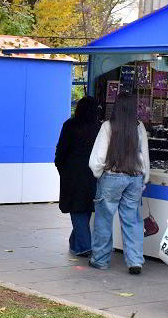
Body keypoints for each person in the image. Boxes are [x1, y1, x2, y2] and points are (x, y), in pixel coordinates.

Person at [89, 92, 150, 274]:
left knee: (104, 219)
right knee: (132, 220)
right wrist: (144, 178)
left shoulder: (108, 126)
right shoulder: (139, 127)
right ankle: (135, 261)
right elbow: (144, 155)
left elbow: (98, 157)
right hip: (135, 177)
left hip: (112, 176)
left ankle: (100, 260)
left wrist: (98, 173)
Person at [54, 96, 100, 257]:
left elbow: (61, 150)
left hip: (72, 172)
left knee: (76, 208)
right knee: (86, 207)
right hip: (92, 173)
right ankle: (76, 242)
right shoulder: (98, 127)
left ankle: (84, 246)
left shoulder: (70, 125)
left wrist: (61, 167)